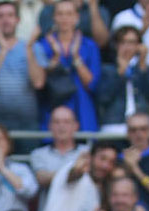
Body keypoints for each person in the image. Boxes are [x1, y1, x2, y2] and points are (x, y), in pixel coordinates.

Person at [0, 0, 47, 135]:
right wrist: (2, 52)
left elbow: (38, 82)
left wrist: (29, 50)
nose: (5, 20)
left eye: (10, 15)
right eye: (0, 16)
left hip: (27, 124)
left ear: (17, 20)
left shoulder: (33, 47)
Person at [38, 0, 101, 131]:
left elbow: (92, 84)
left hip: (82, 111)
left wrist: (76, 57)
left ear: (77, 17)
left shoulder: (89, 45)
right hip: (52, 109)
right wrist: (55, 56)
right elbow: (39, 82)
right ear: (54, 18)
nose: (64, 18)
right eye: (60, 14)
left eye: (69, 14)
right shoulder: (43, 45)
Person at [95, 26, 149, 133]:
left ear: (139, 45)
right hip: (114, 125)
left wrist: (142, 67)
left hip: (141, 125)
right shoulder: (107, 70)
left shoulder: (148, 70)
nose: (127, 47)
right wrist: (120, 74)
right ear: (116, 45)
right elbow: (103, 98)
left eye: (131, 42)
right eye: (123, 42)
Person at [29, 105, 84, 211]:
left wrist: (53, 175)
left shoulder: (86, 152)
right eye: (56, 122)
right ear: (49, 126)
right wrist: (74, 172)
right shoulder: (39, 154)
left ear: (76, 126)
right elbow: (42, 178)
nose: (61, 126)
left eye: (66, 122)